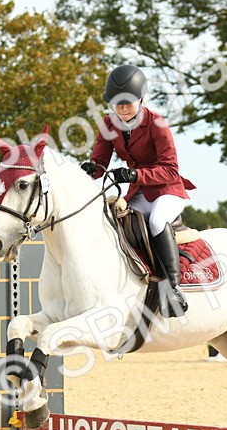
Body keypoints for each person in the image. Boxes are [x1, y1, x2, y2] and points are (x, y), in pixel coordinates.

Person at [82, 65, 196, 317]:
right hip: (140, 192)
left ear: (141, 99)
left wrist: (136, 174)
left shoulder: (156, 123)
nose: (122, 109)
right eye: (116, 104)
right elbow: (100, 163)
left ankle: (173, 289)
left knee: (156, 220)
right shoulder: (108, 124)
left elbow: (170, 170)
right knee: (118, 222)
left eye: (128, 103)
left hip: (167, 190)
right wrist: (91, 169)